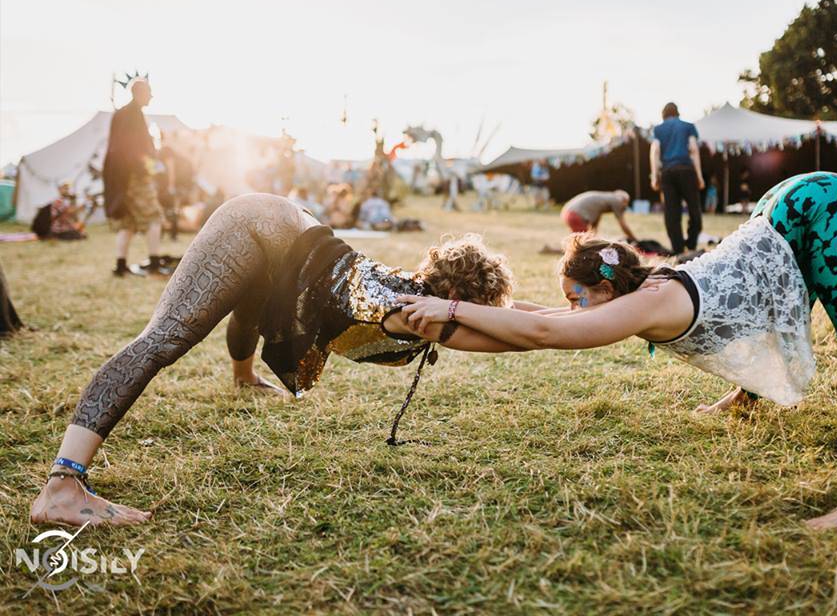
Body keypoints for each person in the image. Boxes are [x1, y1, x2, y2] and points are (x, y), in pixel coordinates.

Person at [403, 172, 837, 532]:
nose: (574, 311)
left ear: (605, 287)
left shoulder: (650, 303)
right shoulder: (629, 297)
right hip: (776, 215)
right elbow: (536, 320)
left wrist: (451, 312)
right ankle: (750, 394)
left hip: (822, 205)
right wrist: (446, 318)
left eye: (577, 299)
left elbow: (543, 335)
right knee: (768, 300)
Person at [29, 193, 521, 527]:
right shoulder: (418, 315)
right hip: (256, 223)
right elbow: (531, 333)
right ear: (457, 295)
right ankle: (62, 486)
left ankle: (243, 378)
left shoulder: (421, 299)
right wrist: (586, 323)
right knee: (166, 339)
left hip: (286, 236)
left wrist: (579, 309)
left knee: (251, 302)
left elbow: (519, 318)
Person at [102, 78, 170, 277]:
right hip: (134, 176)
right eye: (149, 92)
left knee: (128, 221)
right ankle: (154, 263)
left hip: (121, 179)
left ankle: (121, 265)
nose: (151, 96)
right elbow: (135, 149)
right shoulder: (133, 115)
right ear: (140, 93)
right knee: (154, 216)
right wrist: (147, 167)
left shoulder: (122, 114)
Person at [650, 103, 705, 254]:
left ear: (664, 115)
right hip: (686, 170)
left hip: (667, 172)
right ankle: (692, 244)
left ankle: (678, 249)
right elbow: (693, 149)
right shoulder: (688, 126)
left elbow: (655, 151)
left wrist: (655, 176)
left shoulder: (658, 129)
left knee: (671, 212)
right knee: (694, 209)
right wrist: (699, 175)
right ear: (677, 113)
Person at [560, 189, 636, 239]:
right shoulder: (617, 201)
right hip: (575, 215)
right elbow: (623, 225)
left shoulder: (605, 198)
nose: (625, 207)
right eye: (626, 203)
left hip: (568, 212)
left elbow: (595, 222)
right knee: (583, 243)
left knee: (581, 240)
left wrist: (594, 237)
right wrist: (634, 239)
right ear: (624, 200)